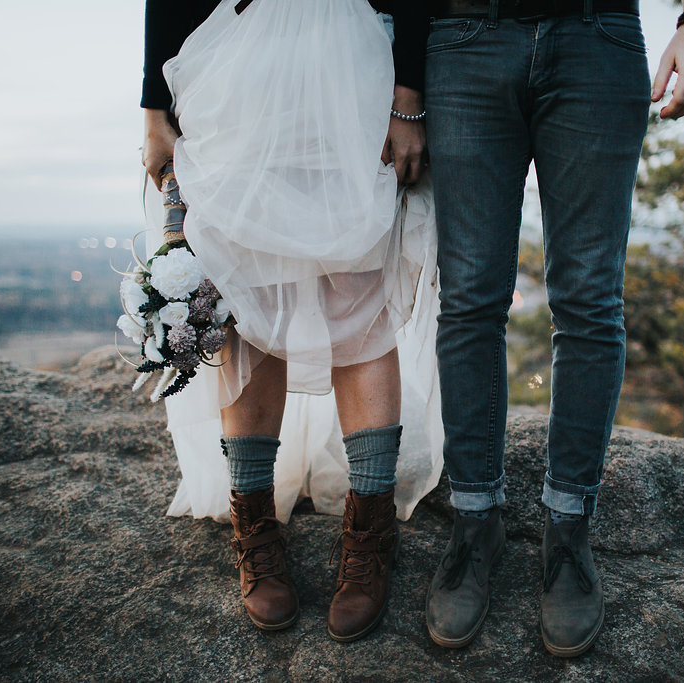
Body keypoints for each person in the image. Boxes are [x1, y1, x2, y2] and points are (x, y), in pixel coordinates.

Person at [419, 0, 684, 657]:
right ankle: (476, 522)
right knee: (470, 295)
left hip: (597, 30)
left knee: (588, 298)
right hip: (463, 34)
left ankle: (568, 532)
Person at [139, 0, 440, 642]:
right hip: (231, 61)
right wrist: (153, 106)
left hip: (350, 54)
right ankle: (254, 526)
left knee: (358, 290)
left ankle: (369, 531)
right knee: (247, 296)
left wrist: (407, 94)